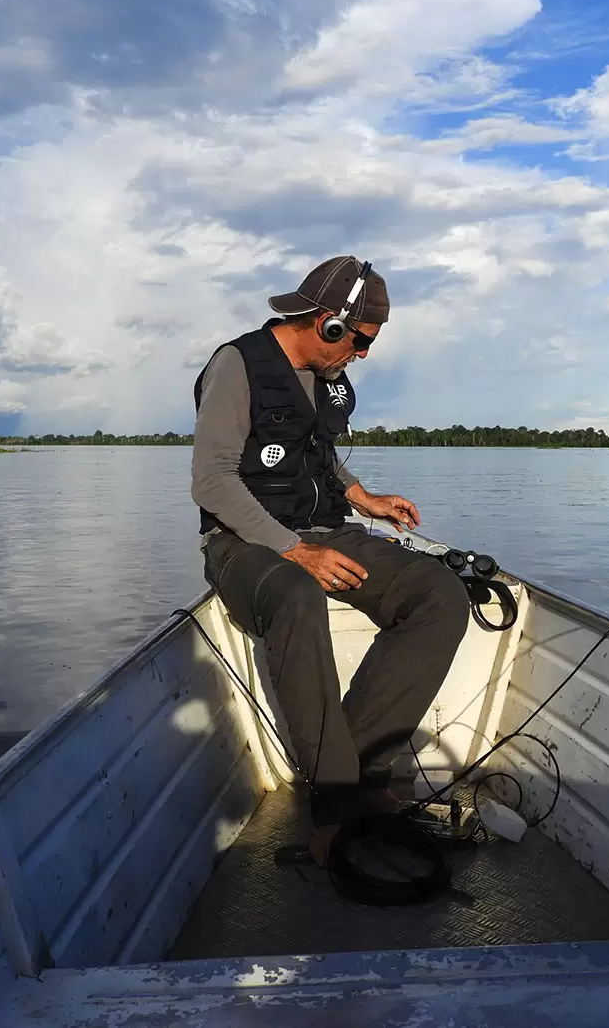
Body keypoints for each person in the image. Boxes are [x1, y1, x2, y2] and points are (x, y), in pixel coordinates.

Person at [190, 255, 471, 861]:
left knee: (439, 594)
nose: (362, 356)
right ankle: (337, 809)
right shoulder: (237, 366)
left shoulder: (322, 376)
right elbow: (211, 482)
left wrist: (361, 497)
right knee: (297, 594)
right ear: (330, 324)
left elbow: (314, 454)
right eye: (361, 342)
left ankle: (361, 774)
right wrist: (294, 550)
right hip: (242, 542)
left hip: (323, 528)